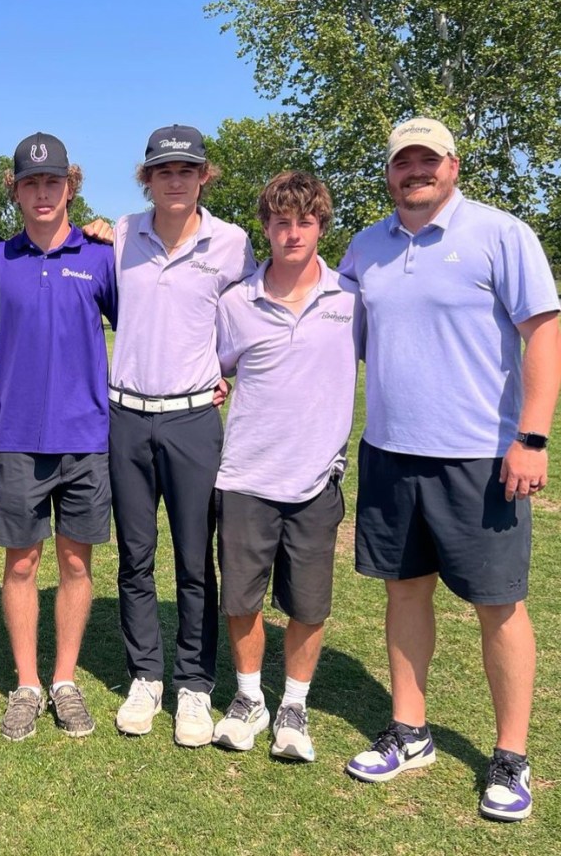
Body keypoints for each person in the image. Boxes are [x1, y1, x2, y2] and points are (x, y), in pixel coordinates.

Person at [340, 118, 560, 822]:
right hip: (390, 452)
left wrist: (532, 436)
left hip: (481, 458)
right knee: (405, 593)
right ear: (388, 172)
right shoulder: (365, 247)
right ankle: (411, 730)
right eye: (403, 162)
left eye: (428, 160)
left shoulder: (501, 234)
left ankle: (511, 755)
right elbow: (323, 328)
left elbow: (544, 333)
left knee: (499, 604)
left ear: (453, 166)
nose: (416, 171)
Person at [110, 124, 255, 746]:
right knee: (135, 557)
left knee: (196, 560)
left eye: (187, 170)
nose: (176, 181)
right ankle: (146, 675)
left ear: (203, 176)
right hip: (126, 417)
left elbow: (250, 317)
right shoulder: (120, 235)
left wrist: (228, 372)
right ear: (147, 179)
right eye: (164, 171)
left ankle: (194, 682)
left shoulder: (233, 243)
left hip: (194, 419)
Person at [211, 171, 362, 762]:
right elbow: (214, 367)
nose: (292, 233)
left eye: (304, 221)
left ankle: (293, 706)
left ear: (321, 226)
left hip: (315, 480)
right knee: (241, 600)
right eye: (281, 222)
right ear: (266, 228)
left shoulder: (350, 300)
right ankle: (249, 698)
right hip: (246, 476)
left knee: (309, 605)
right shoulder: (235, 302)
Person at [0, 133, 117, 741]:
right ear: (15, 190)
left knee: (76, 563)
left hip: (86, 435)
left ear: (70, 187)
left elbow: (143, 325)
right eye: (31, 182)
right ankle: (27, 685)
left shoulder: (102, 255)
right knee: (22, 563)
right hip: (18, 437)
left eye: (52, 182)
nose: (42, 192)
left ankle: (64, 680)